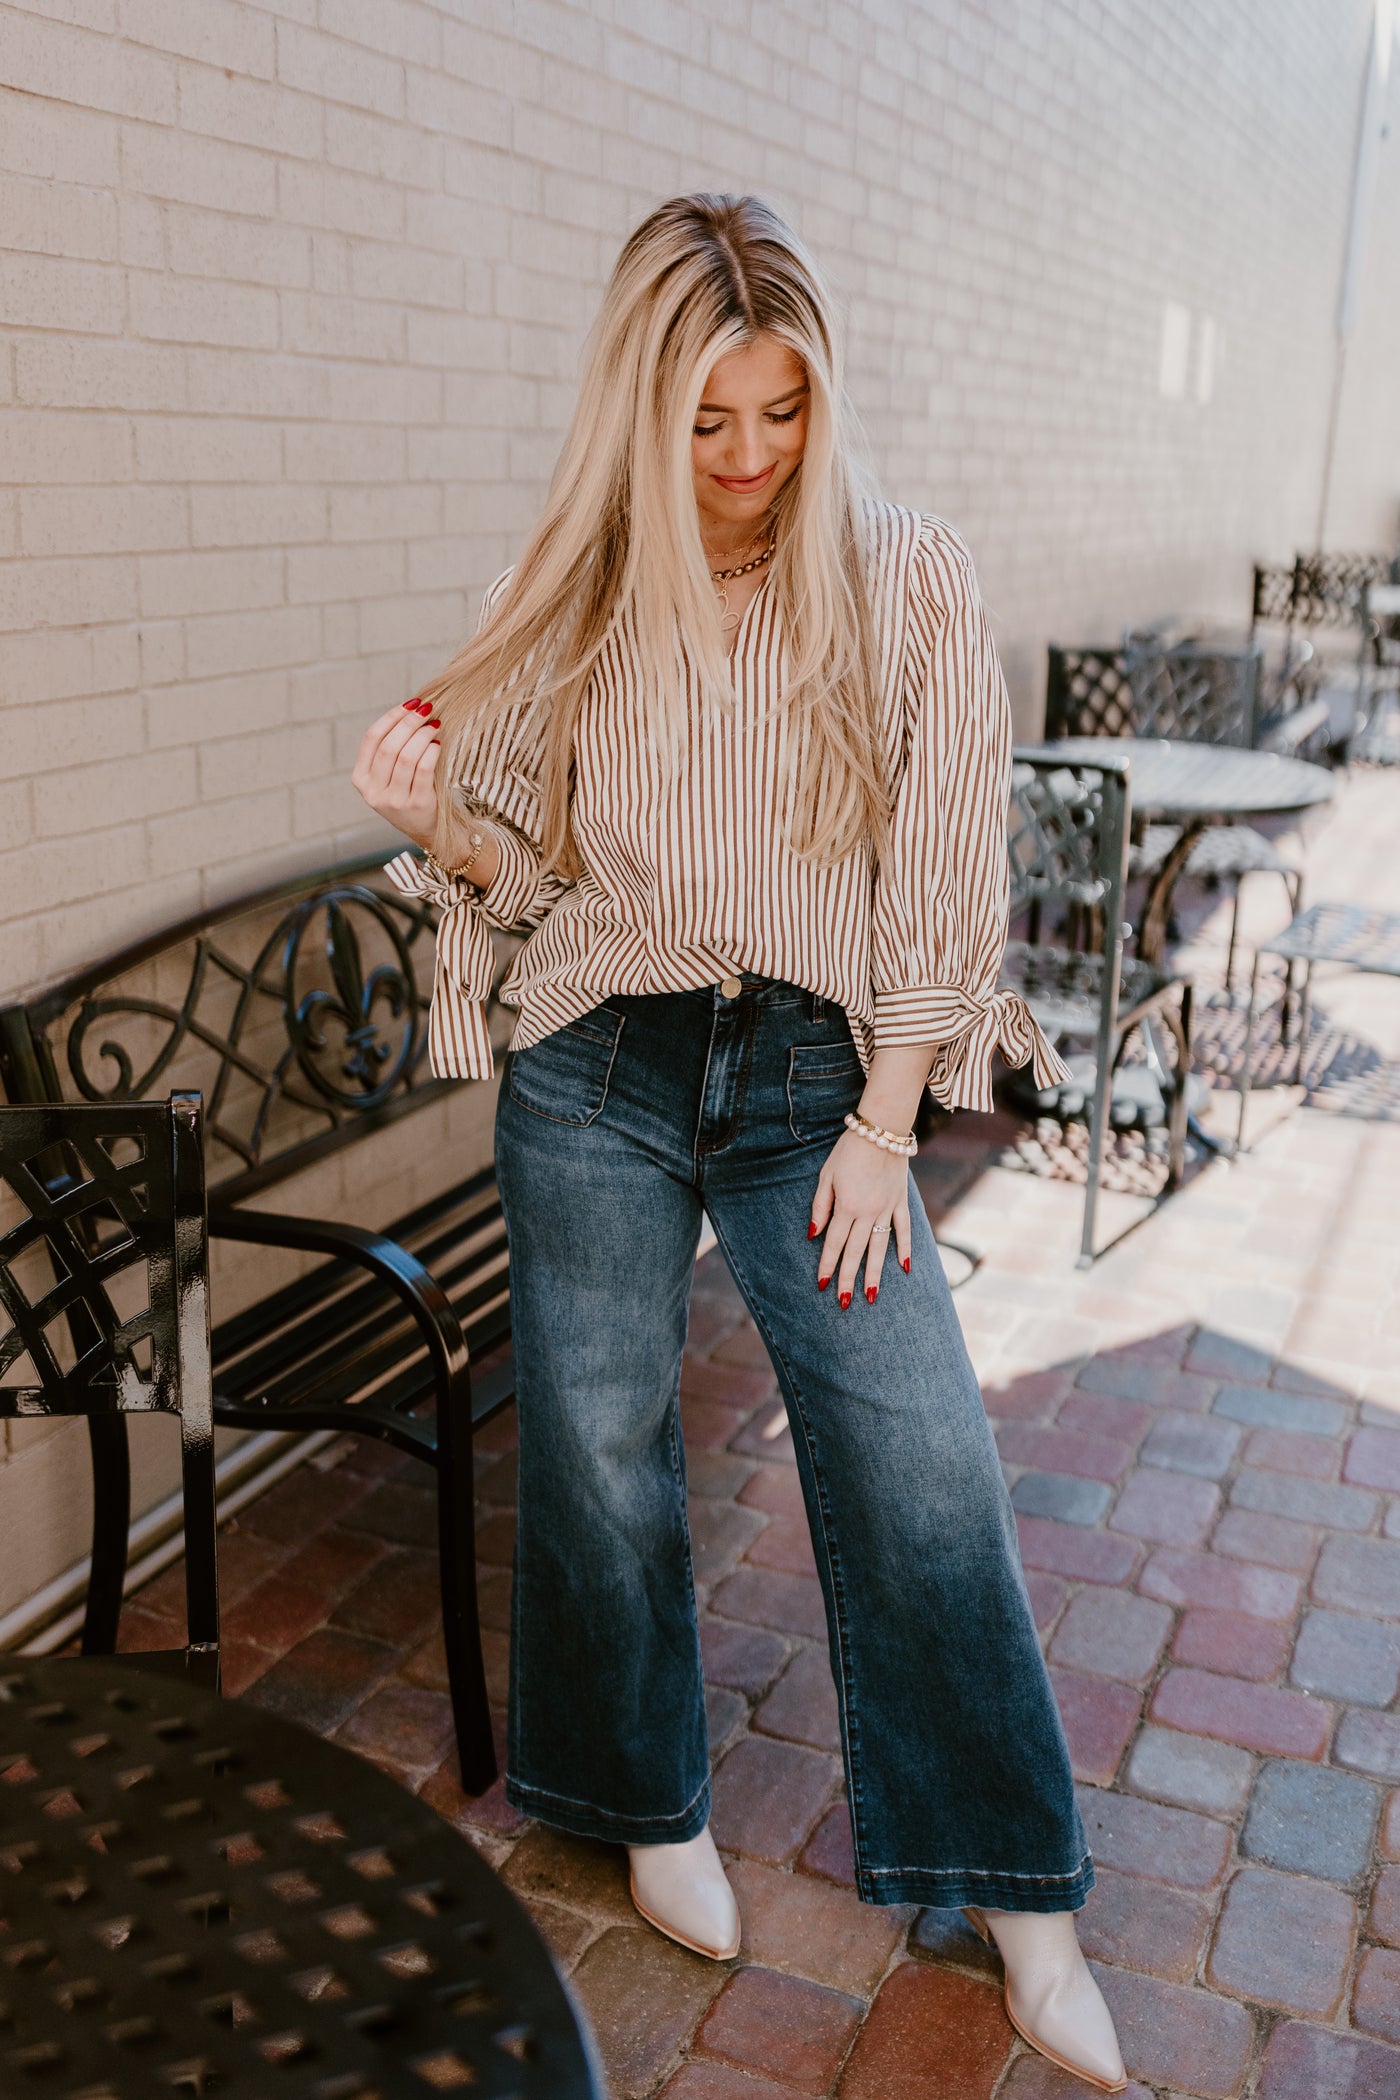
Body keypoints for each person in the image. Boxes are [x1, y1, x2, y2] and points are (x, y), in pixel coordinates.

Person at [351, 193, 1127, 2094]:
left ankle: (1020, 1899)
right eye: (709, 421)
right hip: (596, 1069)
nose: (752, 460)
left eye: (783, 412)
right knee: (605, 1456)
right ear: (644, 405)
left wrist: (885, 1120)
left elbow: (953, 866)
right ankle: (644, 1803)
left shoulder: (907, 576)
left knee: (919, 1450)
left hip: (811, 1087)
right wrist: (436, 817)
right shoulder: (585, 573)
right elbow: (526, 866)